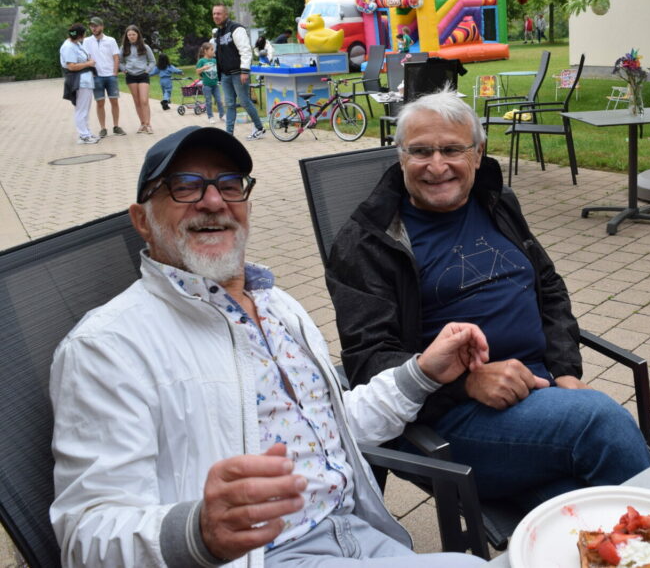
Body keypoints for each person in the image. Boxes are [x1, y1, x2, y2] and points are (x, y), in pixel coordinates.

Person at [49, 125, 489, 567]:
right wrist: (197, 530)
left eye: (229, 184)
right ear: (142, 220)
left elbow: (332, 429)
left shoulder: (278, 305)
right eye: (184, 187)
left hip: (357, 531)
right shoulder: (108, 347)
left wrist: (421, 374)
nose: (214, 201)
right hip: (264, 556)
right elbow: (86, 535)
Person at [325, 91, 650, 513]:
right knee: (601, 423)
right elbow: (368, 361)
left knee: (578, 510)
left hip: (543, 396)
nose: (437, 166)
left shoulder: (496, 201)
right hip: (450, 419)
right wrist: (465, 383)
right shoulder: (368, 241)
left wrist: (567, 371)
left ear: (478, 154)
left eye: (452, 149)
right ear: (400, 156)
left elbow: (547, 286)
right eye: (420, 151)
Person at [212, 2, 267, 140]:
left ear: (226, 14)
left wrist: (244, 71)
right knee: (229, 104)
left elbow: (245, 51)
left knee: (244, 102)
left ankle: (259, 128)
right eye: (214, 14)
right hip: (225, 75)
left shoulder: (236, 29)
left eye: (219, 13)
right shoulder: (218, 33)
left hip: (238, 73)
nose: (216, 16)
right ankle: (229, 135)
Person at [83, 17, 124, 137]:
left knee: (114, 101)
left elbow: (116, 57)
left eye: (96, 26)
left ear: (102, 26)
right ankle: (103, 128)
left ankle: (116, 126)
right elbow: (86, 56)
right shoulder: (87, 41)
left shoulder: (110, 40)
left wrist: (115, 73)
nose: (93, 28)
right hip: (96, 76)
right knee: (100, 103)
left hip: (110, 75)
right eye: (91, 26)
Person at [59, 23, 100, 144]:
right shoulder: (68, 47)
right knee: (81, 109)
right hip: (78, 80)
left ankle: (87, 132)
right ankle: (83, 135)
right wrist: (88, 64)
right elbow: (71, 66)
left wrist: (88, 62)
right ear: (80, 35)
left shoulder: (76, 44)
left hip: (85, 80)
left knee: (85, 108)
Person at [119, 25, 156, 134]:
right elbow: (120, 61)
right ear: (126, 36)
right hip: (131, 76)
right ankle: (142, 124)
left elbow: (152, 61)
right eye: (129, 35)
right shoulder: (123, 47)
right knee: (137, 101)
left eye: (133, 34)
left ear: (138, 35)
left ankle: (148, 124)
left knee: (144, 100)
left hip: (143, 75)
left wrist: (147, 70)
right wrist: (124, 70)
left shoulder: (145, 46)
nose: (131, 37)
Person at [196, 41, 224, 123]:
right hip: (207, 85)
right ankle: (210, 117)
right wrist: (203, 68)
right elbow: (197, 71)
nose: (213, 51)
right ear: (205, 51)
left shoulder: (214, 60)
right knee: (208, 101)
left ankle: (222, 115)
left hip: (215, 85)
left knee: (219, 100)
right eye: (211, 50)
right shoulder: (202, 61)